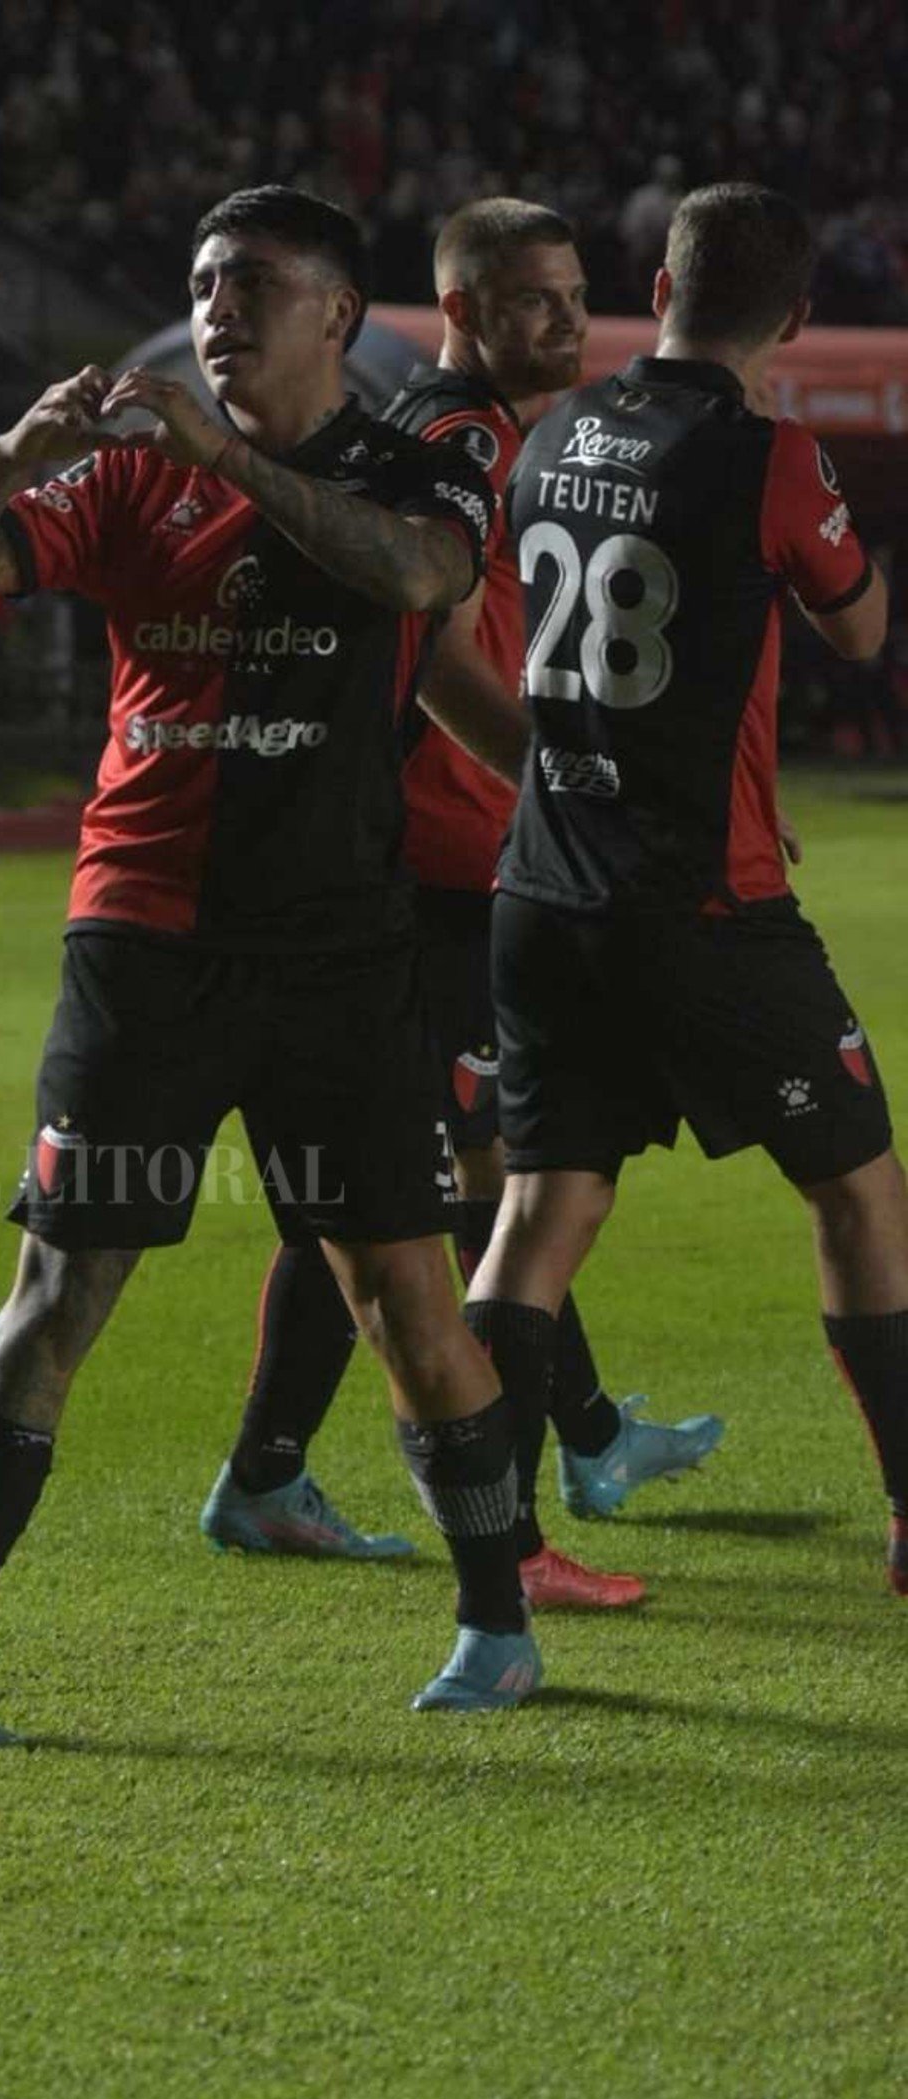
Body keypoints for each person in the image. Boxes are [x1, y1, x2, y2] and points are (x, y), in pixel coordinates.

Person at [0, 183, 547, 1745]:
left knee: (405, 1291)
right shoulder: (126, 477)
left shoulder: (422, 463)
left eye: (249, 282)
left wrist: (227, 461)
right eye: (200, 282)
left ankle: (496, 1628)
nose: (215, 308)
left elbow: (418, 582)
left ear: (337, 313)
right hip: (146, 941)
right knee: (63, 1282)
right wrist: (12, 455)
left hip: (341, 951)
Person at [201, 199, 722, 1609]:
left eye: (574, 295)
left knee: (475, 1176)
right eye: (533, 299)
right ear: (458, 310)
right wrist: (562, 781)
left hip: (457, 859)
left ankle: (576, 1434)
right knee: (433, 1191)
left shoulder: (466, 432)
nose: (567, 322)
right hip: (439, 863)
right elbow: (429, 652)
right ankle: (348, 1486)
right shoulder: (462, 439)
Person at [464, 181, 908, 1598]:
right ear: (796, 318)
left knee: (540, 1217)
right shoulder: (769, 456)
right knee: (860, 1191)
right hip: (702, 907)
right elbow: (859, 627)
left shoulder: (552, 431)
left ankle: (500, 1565)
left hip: (543, 884)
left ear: (655, 290)